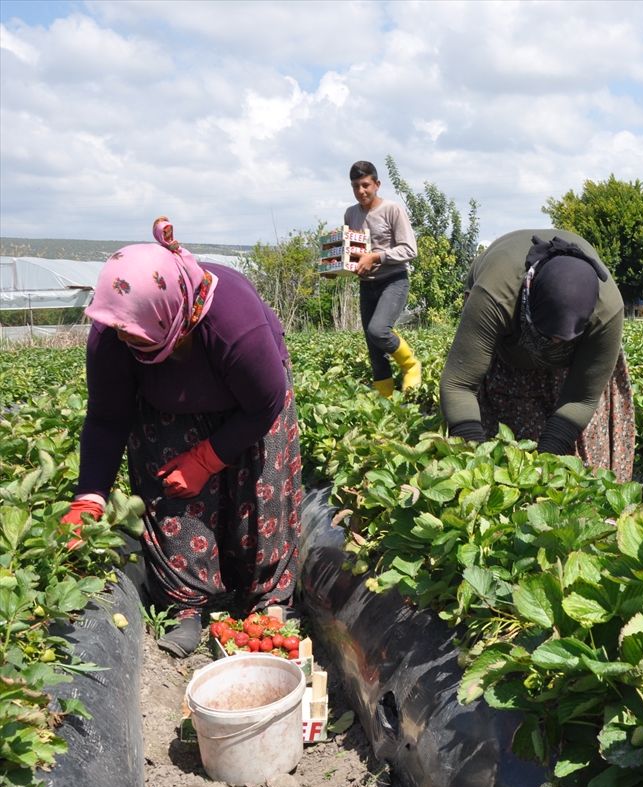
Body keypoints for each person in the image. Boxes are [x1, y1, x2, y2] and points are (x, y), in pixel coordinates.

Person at [61, 218, 302, 657]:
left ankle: (266, 601)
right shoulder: (112, 333)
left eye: (131, 331)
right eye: (118, 329)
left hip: (251, 406)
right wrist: (89, 498)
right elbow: (107, 419)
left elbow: (264, 403)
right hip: (166, 405)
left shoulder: (234, 320)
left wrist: (208, 458)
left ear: (169, 312)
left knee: (261, 486)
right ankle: (184, 603)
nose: (121, 335)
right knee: (168, 482)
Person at [439, 230, 634, 482]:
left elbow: (581, 398)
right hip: (506, 342)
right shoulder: (495, 295)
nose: (554, 344)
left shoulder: (607, 311)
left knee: (581, 467)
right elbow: (459, 385)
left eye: (565, 339)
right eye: (546, 334)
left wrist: (544, 462)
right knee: (503, 450)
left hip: (578, 364)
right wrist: (479, 463)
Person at [339, 160, 421, 396]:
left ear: (377, 184)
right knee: (374, 349)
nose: (361, 191)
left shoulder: (392, 209)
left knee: (378, 331)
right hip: (367, 285)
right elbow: (352, 250)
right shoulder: (350, 213)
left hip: (393, 280)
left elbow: (409, 250)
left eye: (365, 185)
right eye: (355, 186)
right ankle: (385, 404)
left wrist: (375, 257)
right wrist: (340, 267)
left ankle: (410, 365)